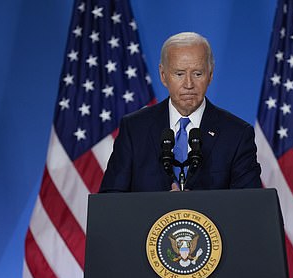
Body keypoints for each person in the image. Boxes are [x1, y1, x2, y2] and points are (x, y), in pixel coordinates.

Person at [99, 32, 261, 192]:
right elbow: (111, 200)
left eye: (198, 74)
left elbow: (249, 206)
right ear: (163, 76)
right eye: (179, 74)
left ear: (210, 75)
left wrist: (195, 208)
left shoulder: (237, 134)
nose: (189, 84)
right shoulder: (134, 129)